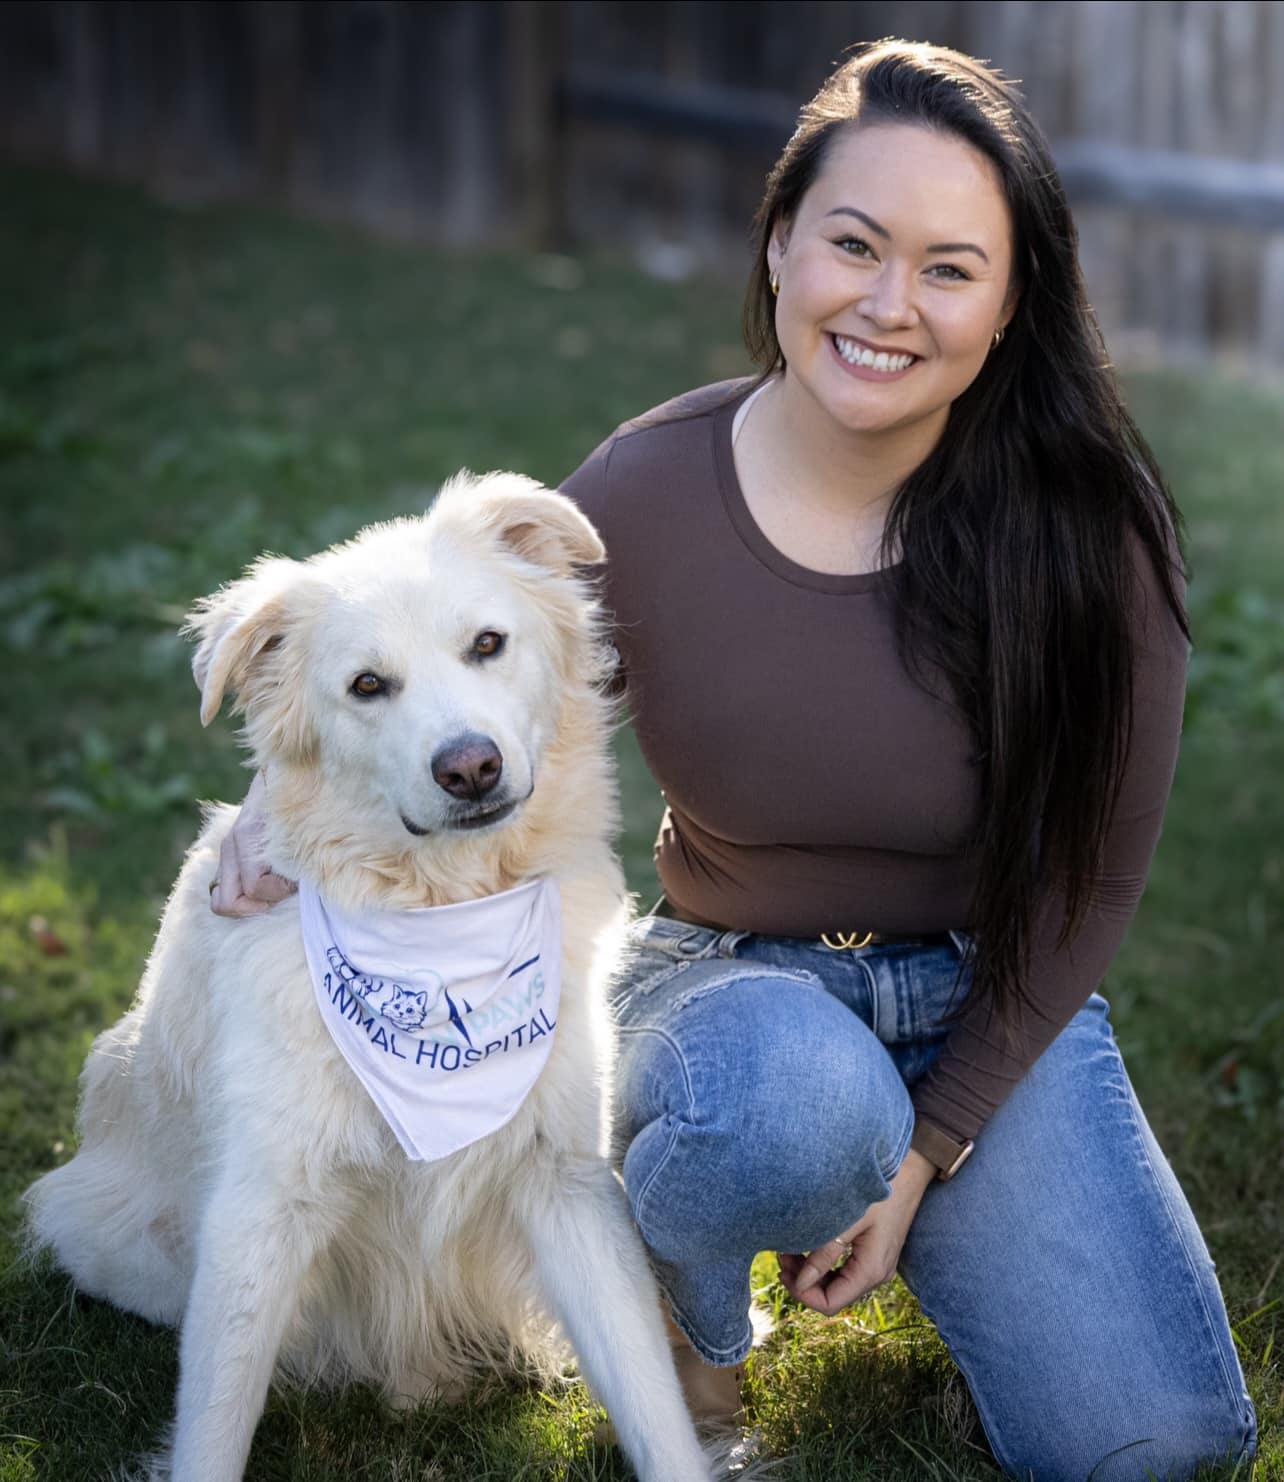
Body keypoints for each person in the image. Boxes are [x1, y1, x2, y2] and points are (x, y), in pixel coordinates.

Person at [213, 40, 1256, 1481]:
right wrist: (273, 814)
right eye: (854, 244)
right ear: (779, 248)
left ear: (1014, 303)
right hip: (730, 991)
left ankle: (921, 1191)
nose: (889, 304)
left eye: (951, 267)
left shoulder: (1094, 534)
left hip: (988, 978)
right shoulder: (644, 491)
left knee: (1158, 1441)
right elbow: (439, 646)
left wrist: (931, 1146)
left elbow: (1095, 878)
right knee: (788, 1110)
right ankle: (701, 1328)